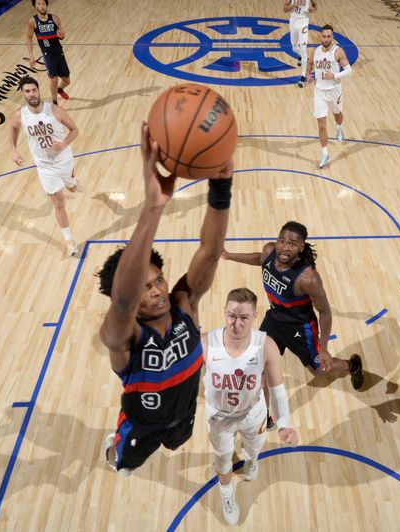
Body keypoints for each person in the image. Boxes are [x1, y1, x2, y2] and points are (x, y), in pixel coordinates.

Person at [97, 123, 234, 475]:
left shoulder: (184, 303)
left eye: (158, 280)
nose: (157, 289)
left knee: (178, 442)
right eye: (145, 287)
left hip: (184, 412)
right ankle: (113, 450)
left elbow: (210, 251)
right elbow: (124, 304)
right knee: (123, 464)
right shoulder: (122, 338)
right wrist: (153, 207)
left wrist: (220, 188)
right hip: (141, 426)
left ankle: (172, 435)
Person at [222, 221, 364, 429]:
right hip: (275, 320)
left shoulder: (308, 278)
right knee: (259, 368)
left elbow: (324, 311)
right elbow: (259, 259)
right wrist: (228, 255)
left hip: (301, 329)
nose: (285, 247)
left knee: (320, 370)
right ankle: (265, 415)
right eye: (282, 241)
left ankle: (352, 365)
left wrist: (323, 348)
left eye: (292, 243)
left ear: (301, 247)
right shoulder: (269, 251)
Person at [203, 287, 298, 525]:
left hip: (252, 413)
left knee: (254, 448)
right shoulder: (206, 344)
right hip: (219, 416)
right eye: (231, 316)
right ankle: (226, 494)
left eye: (244, 317)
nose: (236, 323)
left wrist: (284, 423)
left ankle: (251, 459)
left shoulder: (266, 346)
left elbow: (277, 391)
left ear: (254, 317)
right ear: (224, 313)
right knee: (223, 459)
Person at [8, 75, 81, 257]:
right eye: (27, 91)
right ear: (23, 94)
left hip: (63, 160)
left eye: (34, 90)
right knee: (58, 202)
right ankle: (69, 240)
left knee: (71, 189)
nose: (31, 94)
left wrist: (64, 143)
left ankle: (72, 182)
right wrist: (13, 150)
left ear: (39, 91)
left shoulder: (55, 110)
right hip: (44, 166)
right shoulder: (20, 115)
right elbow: (13, 128)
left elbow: (75, 130)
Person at [306, 24, 352, 169]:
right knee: (321, 125)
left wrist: (335, 75)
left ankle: (339, 127)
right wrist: (307, 74)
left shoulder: (338, 52)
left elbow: (349, 71)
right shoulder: (315, 51)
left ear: (332, 37)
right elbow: (310, 62)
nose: (326, 39)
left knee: (337, 114)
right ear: (320, 36)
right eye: (324, 36)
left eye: (328, 36)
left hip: (334, 90)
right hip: (319, 91)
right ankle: (325, 153)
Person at [26, 0, 70, 105]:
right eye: (39, 4)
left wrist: (62, 36)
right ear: (35, 6)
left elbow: (61, 35)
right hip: (47, 53)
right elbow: (29, 38)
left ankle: (59, 90)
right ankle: (55, 103)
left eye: (43, 4)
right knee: (54, 79)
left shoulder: (55, 18)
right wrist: (31, 56)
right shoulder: (33, 21)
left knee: (67, 81)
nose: (42, 6)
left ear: (47, 5)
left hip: (58, 51)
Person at [283, 0, 317, 88]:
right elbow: (285, 9)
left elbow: (315, 6)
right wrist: (295, 5)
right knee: (294, 47)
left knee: (303, 48)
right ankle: (300, 55)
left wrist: (312, 9)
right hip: (293, 23)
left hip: (303, 23)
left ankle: (303, 76)